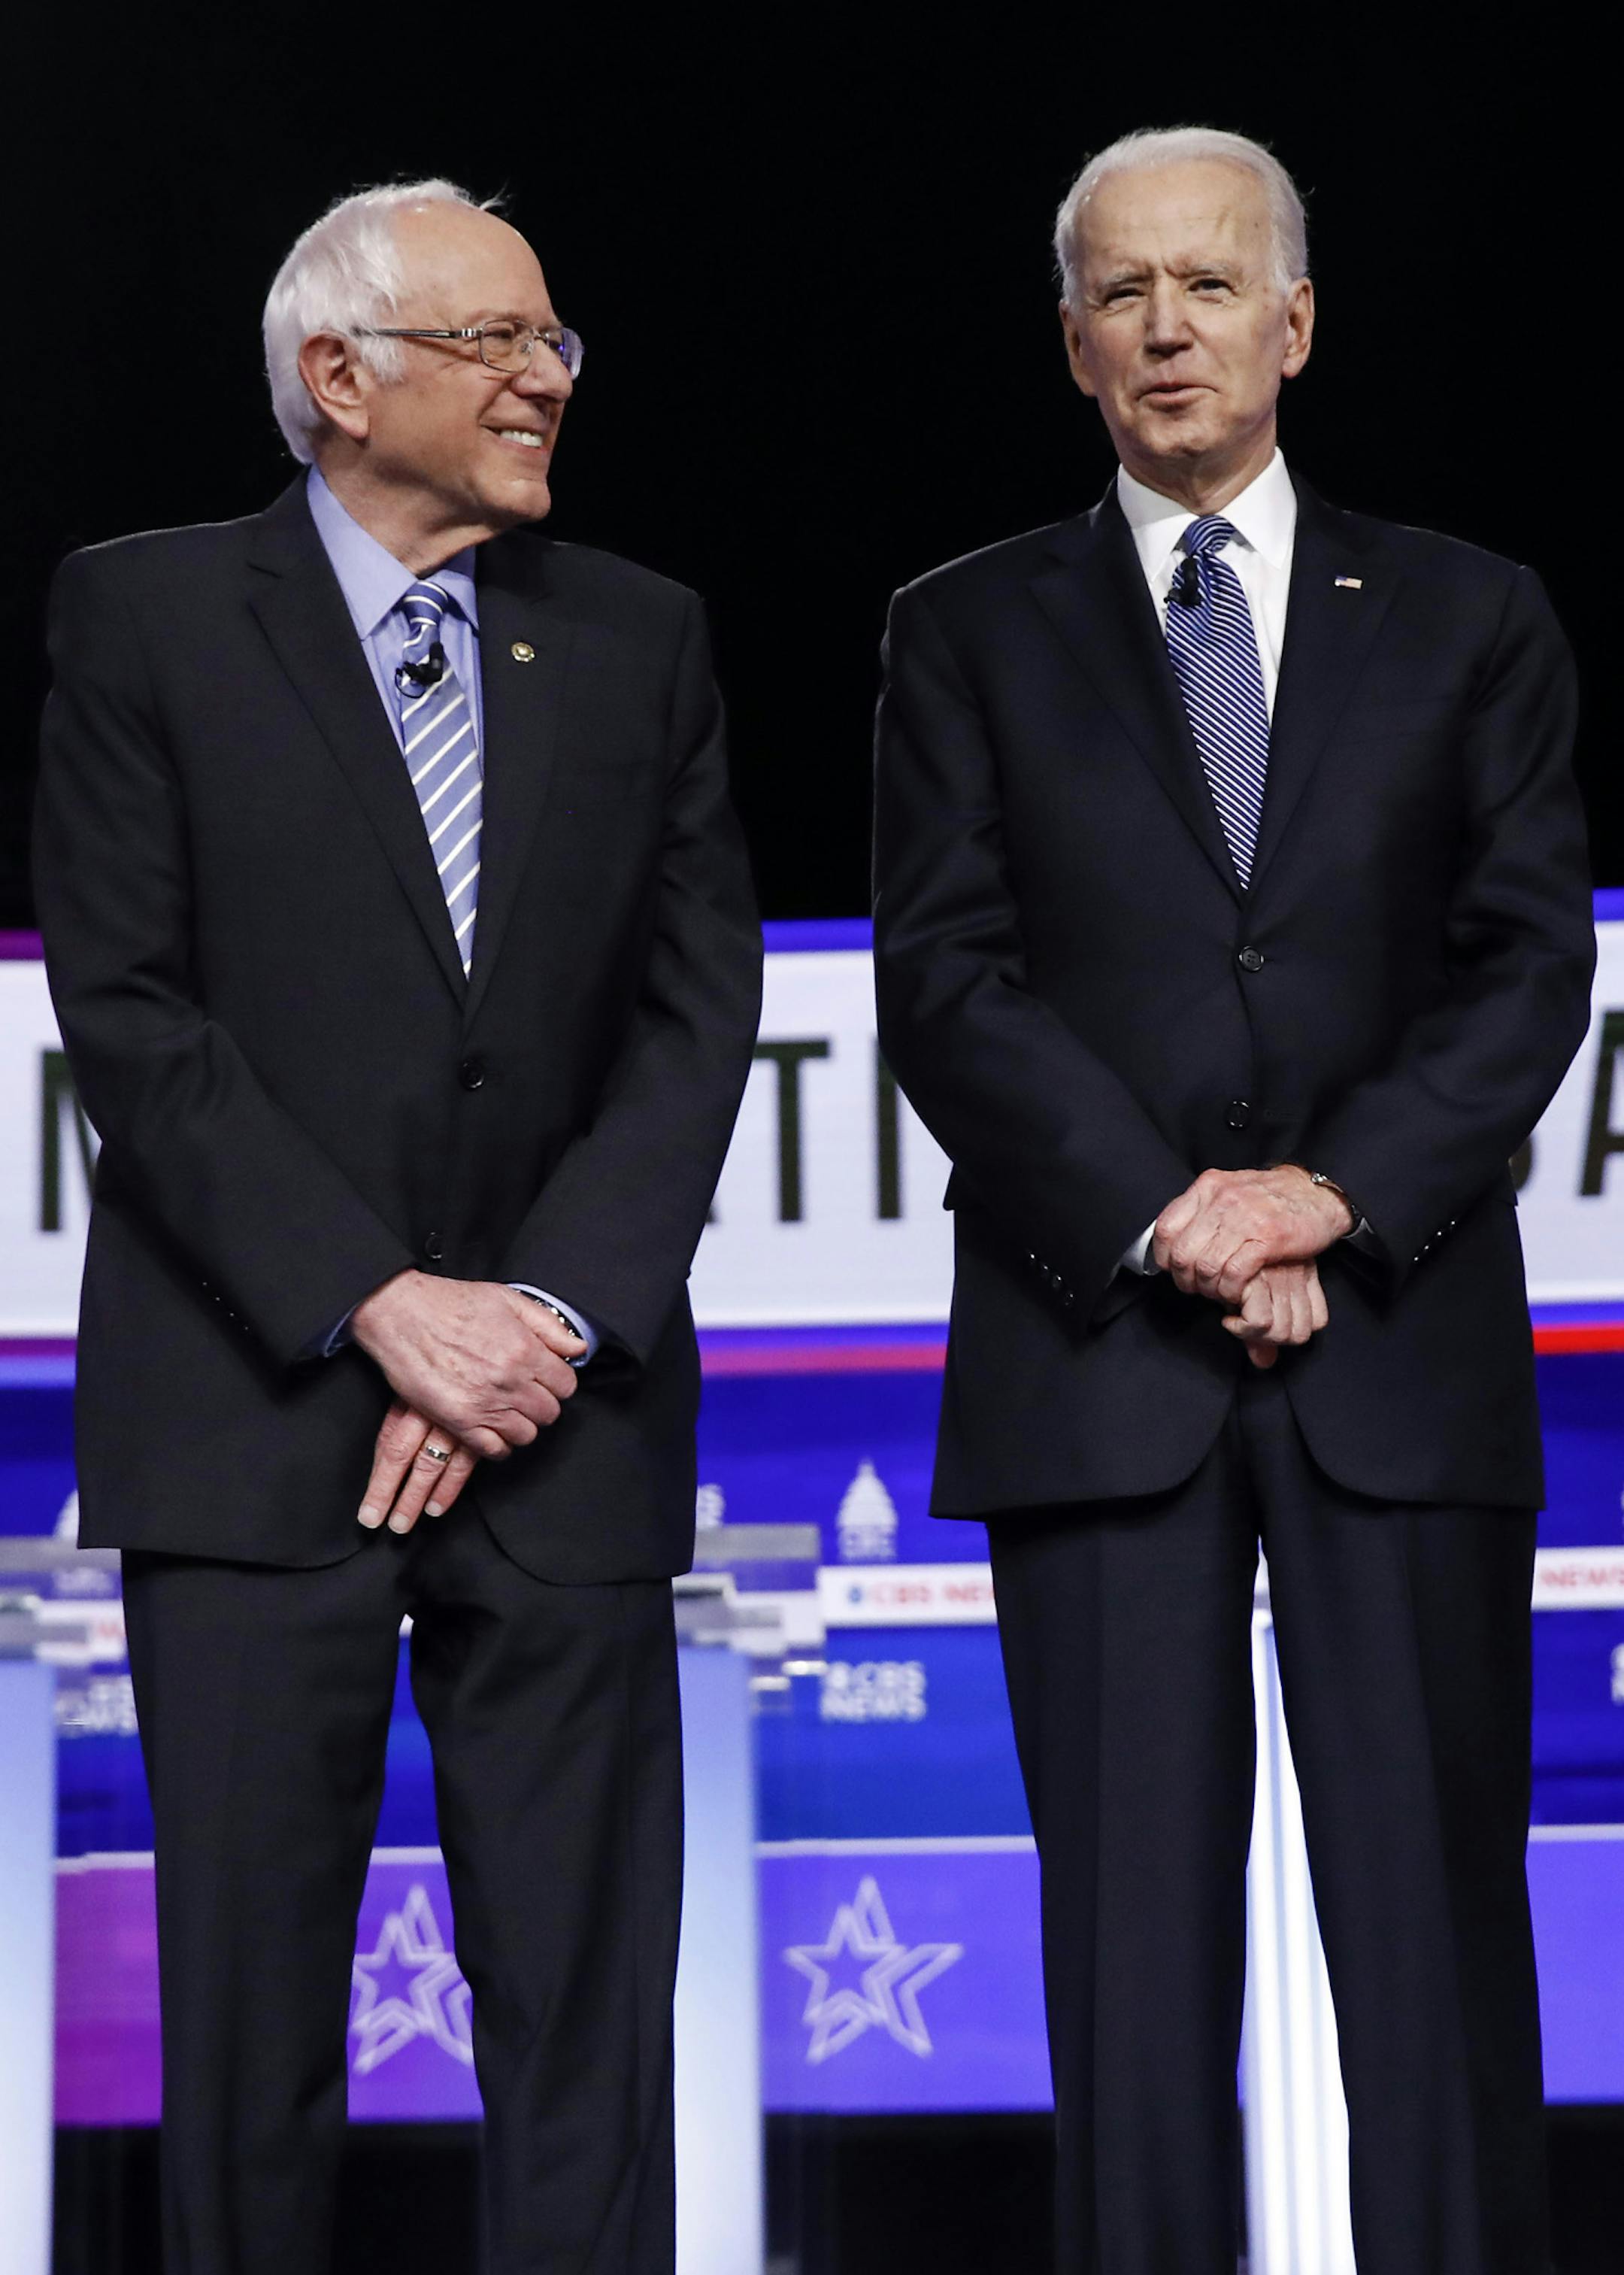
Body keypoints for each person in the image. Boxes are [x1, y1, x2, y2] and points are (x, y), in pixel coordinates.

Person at [873, 126, 1594, 2274]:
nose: (1166, 326)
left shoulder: (1472, 613)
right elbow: (948, 980)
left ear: (1296, 321)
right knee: (1127, 1974)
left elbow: (1524, 958)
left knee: (1442, 1949)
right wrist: (1175, 1213)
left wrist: (1324, 1200)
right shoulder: (961, 628)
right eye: (1120, 293)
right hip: (1100, 1348)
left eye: (1208, 285)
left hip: (1399, 1337)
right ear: (1074, 349)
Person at [34, 179, 761, 2275]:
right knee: (250, 2042)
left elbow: (698, 1013)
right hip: (260, 1436)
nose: (546, 376)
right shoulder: (147, 615)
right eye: (495, 340)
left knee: (587, 2039)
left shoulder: (642, 636)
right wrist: (379, 1303)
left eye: (556, 343)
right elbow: (137, 1015)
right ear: (335, 380)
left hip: (567, 1429)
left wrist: (527, 1313)